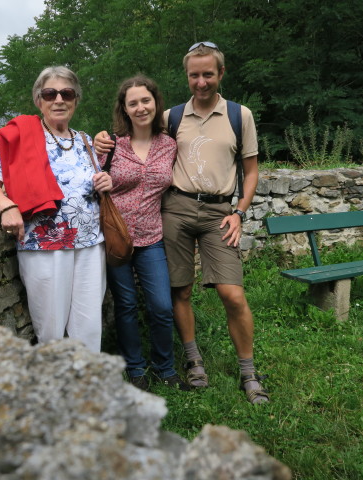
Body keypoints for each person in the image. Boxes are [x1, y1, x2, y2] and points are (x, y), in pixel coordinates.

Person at [95, 42, 269, 403]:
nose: (201, 82)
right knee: (179, 292)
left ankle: (248, 371)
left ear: (221, 74)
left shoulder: (240, 115)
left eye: (208, 74)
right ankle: (190, 361)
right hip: (172, 211)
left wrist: (239, 211)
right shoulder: (171, 118)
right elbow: (126, 136)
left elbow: (251, 171)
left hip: (219, 213)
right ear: (186, 77)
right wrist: (99, 140)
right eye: (194, 75)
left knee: (231, 294)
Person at [0, 65, 112, 353]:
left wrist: (104, 181)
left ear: (76, 99)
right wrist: (7, 205)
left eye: (67, 93)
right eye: (50, 93)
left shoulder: (86, 141)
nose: (59, 100)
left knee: (88, 325)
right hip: (44, 245)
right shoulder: (23, 139)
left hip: (90, 244)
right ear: (39, 100)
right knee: (51, 328)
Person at [98, 75, 188, 391]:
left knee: (161, 306)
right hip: (116, 237)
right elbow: (90, 179)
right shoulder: (111, 144)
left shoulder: (169, 145)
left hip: (152, 238)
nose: (140, 108)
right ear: (124, 108)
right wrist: (103, 182)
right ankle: (136, 368)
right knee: (125, 306)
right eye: (133, 103)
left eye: (145, 100)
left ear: (155, 102)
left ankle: (165, 367)